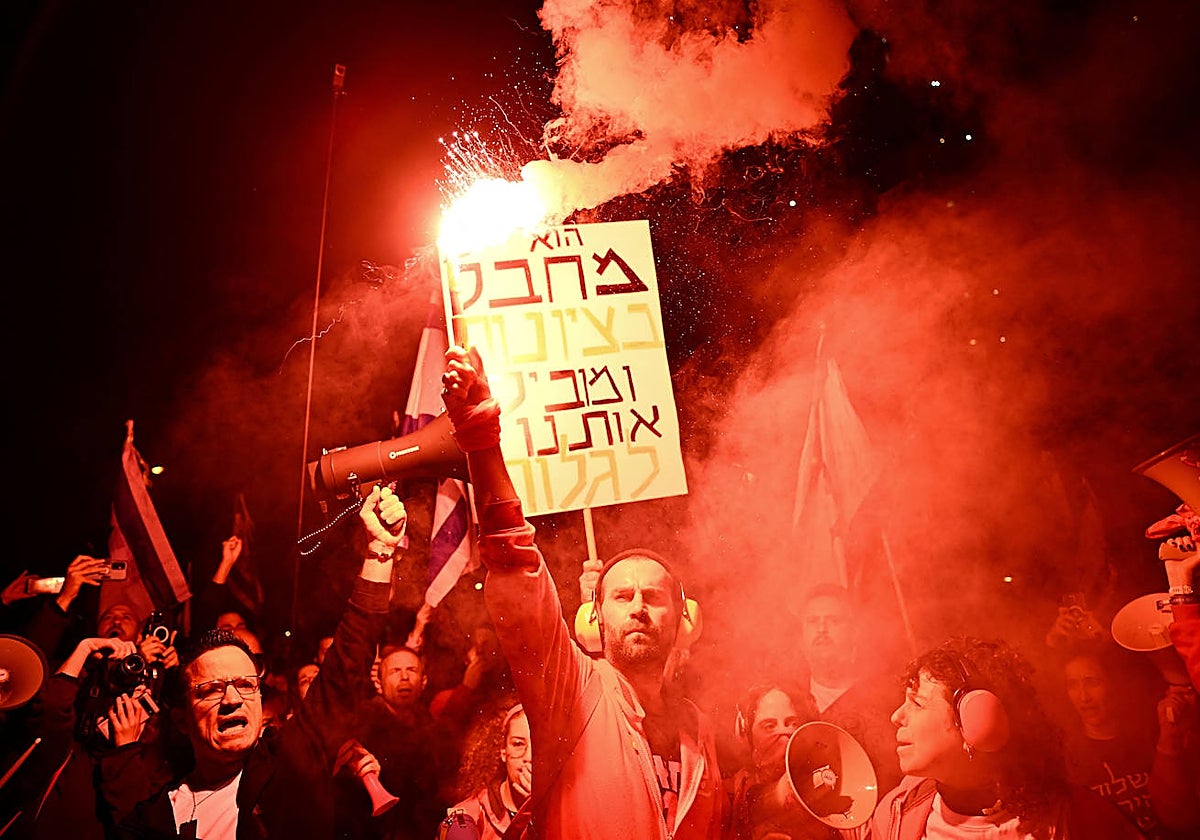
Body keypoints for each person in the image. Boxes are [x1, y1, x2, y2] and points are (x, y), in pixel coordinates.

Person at [441, 344, 727, 839]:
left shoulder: (698, 729)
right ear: (594, 618)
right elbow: (514, 562)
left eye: (654, 597)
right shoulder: (571, 693)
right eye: (622, 596)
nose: (639, 607)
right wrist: (480, 434)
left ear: (685, 619)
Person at [99, 482, 406, 838]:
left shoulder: (292, 763)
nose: (232, 699)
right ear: (182, 719)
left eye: (245, 685)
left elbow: (346, 664)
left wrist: (380, 551)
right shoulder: (153, 817)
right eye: (212, 689)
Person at [868, 635, 1145, 839]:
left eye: (917, 703)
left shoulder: (1079, 819)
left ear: (975, 720)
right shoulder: (896, 814)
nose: (896, 716)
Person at [1054, 641, 1199, 839]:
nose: (1083, 697)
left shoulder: (1150, 735)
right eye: (1072, 685)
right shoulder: (1068, 760)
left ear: (1113, 683)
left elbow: (1185, 814)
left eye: (1092, 682)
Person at [797, 583, 902, 796]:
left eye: (834, 621)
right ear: (801, 637)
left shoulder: (890, 701)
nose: (821, 629)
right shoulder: (787, 702)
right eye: (812, 621)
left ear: (854, 633)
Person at [727, 680, 841, 840]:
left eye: (792, 723)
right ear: (745, 733)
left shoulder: (825, 787)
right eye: (769, 726)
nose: (784, 733)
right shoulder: (730, 794)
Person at [438, 703, 533, 840]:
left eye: (538, 745)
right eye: (518, 744)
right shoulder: (471, 815)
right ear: (503, 751)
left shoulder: (560, 812)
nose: (529, 757)